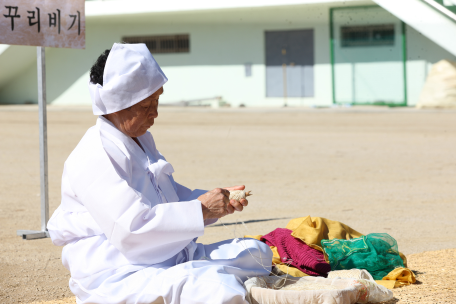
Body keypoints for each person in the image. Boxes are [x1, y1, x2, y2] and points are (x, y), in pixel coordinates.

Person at [47, 43, 273, 304]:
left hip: (164, 257)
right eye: (146, 105)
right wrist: (201, 210)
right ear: (119, 103)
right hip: (119, 273)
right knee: (218, 288)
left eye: (157, 100)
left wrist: (217, 200)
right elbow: (132, 230)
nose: (155, 112)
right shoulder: (93, 154)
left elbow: (170, 196)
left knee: (256, 253)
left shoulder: (139, 139)